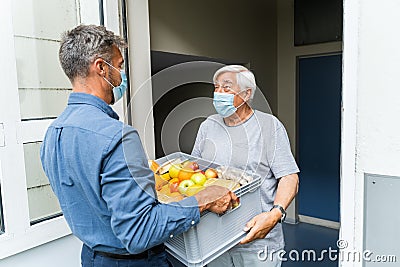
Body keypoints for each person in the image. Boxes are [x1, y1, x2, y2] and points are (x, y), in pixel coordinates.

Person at [40, 24, 238, 267]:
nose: (121, 75)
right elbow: (140, 231)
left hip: (92, 258)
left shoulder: (52, 135)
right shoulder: (116, 137)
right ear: (101, 67)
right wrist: (202, 199)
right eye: (119, 65)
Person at [191, 65, 299, 267]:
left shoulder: (269, 126)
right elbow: (195, 169)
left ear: (247, 93)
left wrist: (276, 214)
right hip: (214, 239)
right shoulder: (208, 125)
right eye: (216, 87)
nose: (219, 93)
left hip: (257, 241)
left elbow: (289, 177)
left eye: (226, 87)